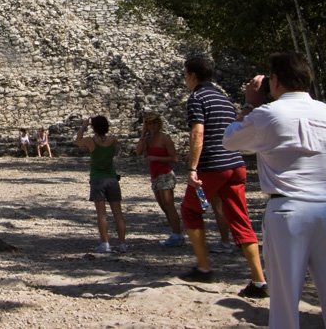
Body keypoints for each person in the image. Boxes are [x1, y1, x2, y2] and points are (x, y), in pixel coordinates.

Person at [224, 52, 326, 325]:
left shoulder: (267, 114)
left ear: (274, 80)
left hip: (288, 210)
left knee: (285, 299)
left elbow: (230, 140)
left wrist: (250, 104)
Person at [177, 55, 267, 296]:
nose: (185, 79)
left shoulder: (197, 97)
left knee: (189, 209)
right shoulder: (223, 98)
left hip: (213, 165)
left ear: (193, 75)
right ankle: (259, 280)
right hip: (235, 163)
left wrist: (192, 168)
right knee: (240, 218)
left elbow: (198, 133)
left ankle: (204, 266)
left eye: (185, 74)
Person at [75, 116, 127, 254]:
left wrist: (83, 126)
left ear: (94, 127)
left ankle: (105, 243)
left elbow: (78, 141)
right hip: (112, 179)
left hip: (98, 179)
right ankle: (122, 244)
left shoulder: (91, 141)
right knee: (118, 214)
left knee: (101, 214)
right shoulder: (112, 140)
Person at [134, 113, 184, 247]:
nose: (152, 126)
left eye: (154, 123)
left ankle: (178, 234)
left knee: (169, 205)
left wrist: (156, 159)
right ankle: (175, 233)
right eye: (149, 123)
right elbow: (138, 152)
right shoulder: (148, 139)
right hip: (154, 175)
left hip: (165, 174)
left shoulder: (165, 138)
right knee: (163, 206)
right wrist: (143, 137)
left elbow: (175, 158)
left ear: (159, 123)